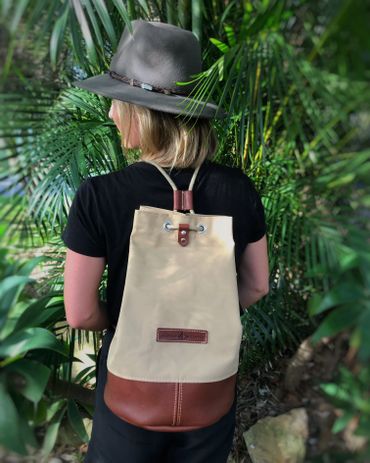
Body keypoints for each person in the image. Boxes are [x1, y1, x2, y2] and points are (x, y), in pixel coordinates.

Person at [62, 19, 269, 463]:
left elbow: (79, 314)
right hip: (209, 392)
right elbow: (257, 286)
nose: (111, 114)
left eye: (118, 102)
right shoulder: (239, 190)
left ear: (141, 112)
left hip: (128, 386)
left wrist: (126, 323)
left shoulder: (99, 196)